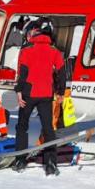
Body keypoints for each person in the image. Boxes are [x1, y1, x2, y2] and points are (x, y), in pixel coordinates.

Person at [14, 20, 65, 176]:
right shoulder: (53, 49)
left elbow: (22, 72)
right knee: (48, 129)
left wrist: (18, 90)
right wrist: (61, 92)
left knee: (22, 126)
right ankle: (51, 163)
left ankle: (21, 159)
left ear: (31, 33)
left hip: (29, 93)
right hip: (46, 94)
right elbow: (62, 72)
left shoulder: (27, 49)